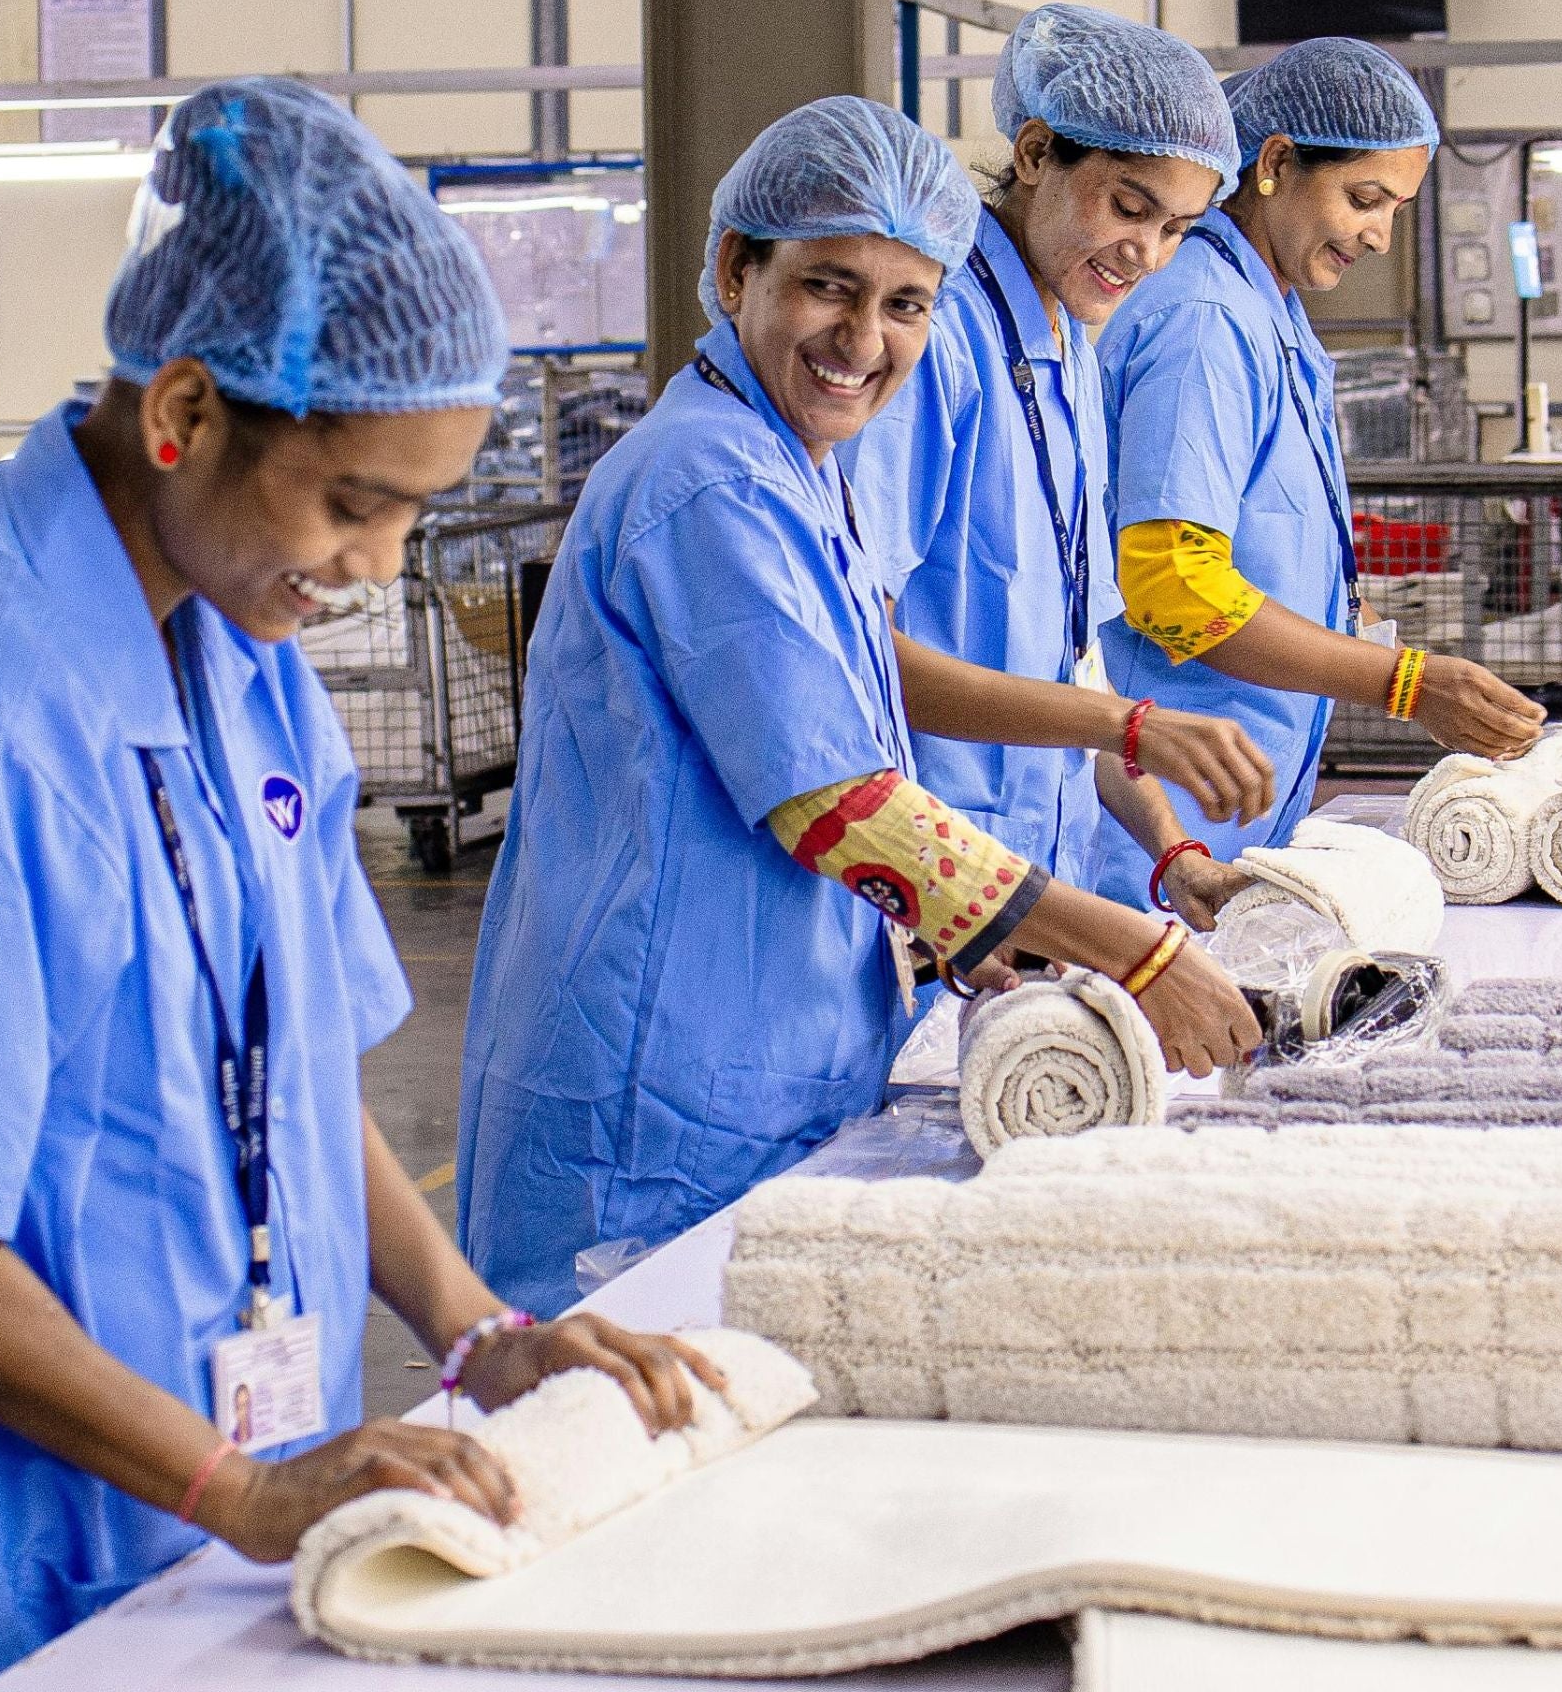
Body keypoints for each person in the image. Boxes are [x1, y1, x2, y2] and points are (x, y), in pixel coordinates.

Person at [0, 78, 717, 1692]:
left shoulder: (238, 638)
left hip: (252, 1477)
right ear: (187, 413)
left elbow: (290, 1076)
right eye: (352, 503)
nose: (371, 568)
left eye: (410, 511)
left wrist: (480, 1334)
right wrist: (239, 1489)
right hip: (55, 1529)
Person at [458, 96, 1261, 1319]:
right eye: (828, 287)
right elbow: (838, 805)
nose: (862, 339)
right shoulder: (707, 483)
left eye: (905, 304)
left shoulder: (797, 471)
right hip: (656, 1093)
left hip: (765, 1060)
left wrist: (969, 928)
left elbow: (840, 730)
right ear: (734, 268)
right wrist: (1135, 946)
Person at [846, 4, 1275, 930]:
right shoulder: (934, 337)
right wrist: (1131, 728)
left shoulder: (1068, 350)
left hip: (1027, 879)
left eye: (1177, 230)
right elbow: (854, 657)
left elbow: (1076, 666)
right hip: (912, 878)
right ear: (1036, 152)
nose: (1147, 254)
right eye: (1128, 206)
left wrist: (1178, 855)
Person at [1092, 37, 1544, 892]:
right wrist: (1404, 682)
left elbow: (1279, 550)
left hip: (1234, 803)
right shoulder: (1203, 320)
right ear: (1275, 163)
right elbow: (1172, 584)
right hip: (1158, 830)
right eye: (1364, 199)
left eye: (1396, 209)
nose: (1379, 236)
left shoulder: (1272, 315)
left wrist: (1377, 638)